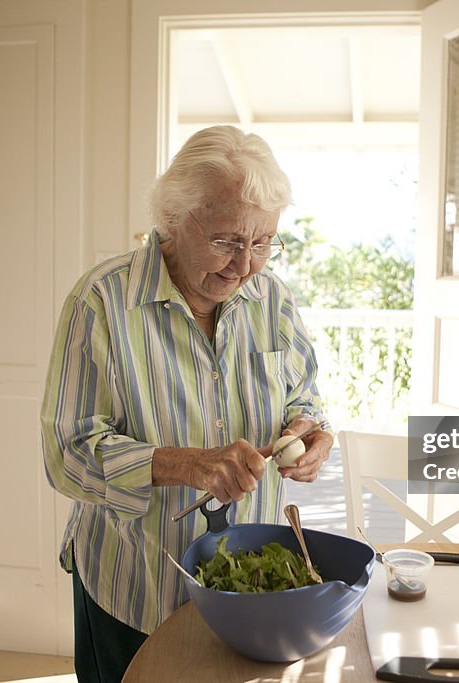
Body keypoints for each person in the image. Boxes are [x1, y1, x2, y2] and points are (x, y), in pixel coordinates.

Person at [40, 125, 333, 683]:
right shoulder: (101, 302)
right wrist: (188, 464)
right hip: (136, 588)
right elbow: (65, 452)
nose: (245, 265)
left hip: (251, 592)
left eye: (264, 241)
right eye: (226, 240)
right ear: (172, 218)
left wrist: (312, 430)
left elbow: (305, 397)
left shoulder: (272, 298)